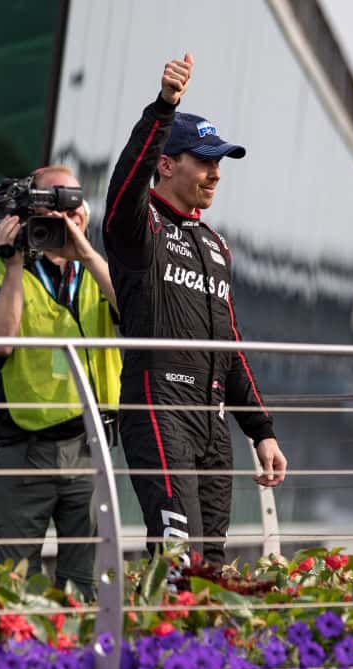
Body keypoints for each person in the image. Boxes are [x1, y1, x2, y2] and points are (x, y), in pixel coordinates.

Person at [103, 54, 287, 564]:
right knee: (178, 558)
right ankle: (153, 641)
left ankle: (201, 647)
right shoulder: (137, 231)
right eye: (205, 161)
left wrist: (262, 430)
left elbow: (230, 346)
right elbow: (126, 180)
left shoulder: (215, 244)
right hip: (157, 407)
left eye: (219, 163)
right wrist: (163, 108)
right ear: (167, 164)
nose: (215, 174)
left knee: (212, 564)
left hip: (213, 419)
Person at [0, 165, 121, 598]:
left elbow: (137, 311)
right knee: (10, 586)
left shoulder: (97, 269)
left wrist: (86, 254)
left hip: (91, 448)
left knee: (90, 586)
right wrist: (13, 264)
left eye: (71, 204)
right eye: (51, 204)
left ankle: (90, 665)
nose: (63, 217)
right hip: (22, 450)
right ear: (29, 211)